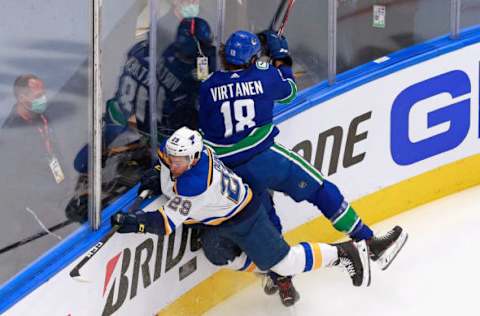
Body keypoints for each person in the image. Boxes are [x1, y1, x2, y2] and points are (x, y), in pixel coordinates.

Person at [198, 30, 408, 303]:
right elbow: (289, 91)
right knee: (320, 189)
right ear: (252, 57)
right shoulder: (262, 74)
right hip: (265, 158)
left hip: (230, 173)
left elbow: (206, 126)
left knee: (265, 223)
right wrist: (281, 56)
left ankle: (281, 282)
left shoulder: (208, 85)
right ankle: (368, 241)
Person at [111, 127, 372, 293]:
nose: (174, 163)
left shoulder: (195, 185)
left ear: (192, 159)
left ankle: (342, 253)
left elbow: (164, 223)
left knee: (286, 263)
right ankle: (266, 267)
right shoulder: (194, 152)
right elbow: (166, 163)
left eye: (179, 161)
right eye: (173, 159)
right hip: (220, 221)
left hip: (247, 218)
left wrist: (135, 223)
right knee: (216, 254)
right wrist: (158, 173)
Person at [107, 16, 216, 137]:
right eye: (202, 45)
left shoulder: (138, 50)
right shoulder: (178, 77)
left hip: (121, 122)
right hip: (151, 136)